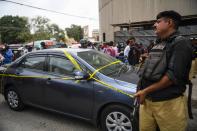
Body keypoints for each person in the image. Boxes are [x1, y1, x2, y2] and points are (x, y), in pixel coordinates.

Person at [135, 10, 193, 131]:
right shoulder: (158, 43)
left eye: (158, 21)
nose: (154, 25)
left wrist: (145, 91)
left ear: (170, 22)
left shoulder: (180, 43)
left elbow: (173, 76)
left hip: (168, 104)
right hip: (147, 102)